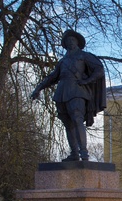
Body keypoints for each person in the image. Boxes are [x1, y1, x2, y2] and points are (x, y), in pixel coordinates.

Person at [31, 30, 106, 161]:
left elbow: (99, 70)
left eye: (73, 40)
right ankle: (74, 154)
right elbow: (52, 77)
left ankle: (84, 153)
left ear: (77, 42)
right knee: (68, 124)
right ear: (65, 44)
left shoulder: (84, 56)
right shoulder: (62, 61)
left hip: (78, 91)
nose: (70, 42)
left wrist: (86, 81)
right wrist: (39, 88)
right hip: (62, 92)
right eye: (67, 41)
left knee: (77, 119)